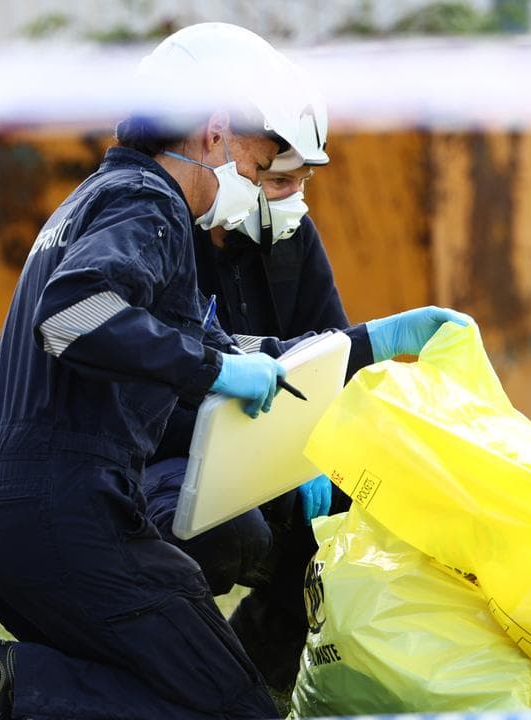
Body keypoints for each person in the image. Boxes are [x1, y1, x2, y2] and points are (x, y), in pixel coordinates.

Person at [0, 23, 468, 720]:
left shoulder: (98, 197)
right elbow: (72, 318)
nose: (264, 181)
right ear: (216, 134)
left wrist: (374, 342)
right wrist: (209, 370)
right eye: (264, 157)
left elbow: (236, 352)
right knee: (232, 710)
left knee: (171, 680)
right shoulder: (149, 206)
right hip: (65, 515)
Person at [143, 91, 357, 694]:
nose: (293, 197)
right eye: (278, 179)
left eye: (302, 181)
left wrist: (321, 452)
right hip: (169, 455)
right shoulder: (161, 232)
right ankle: (176, 683)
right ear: (239, 161)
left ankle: (254, 680)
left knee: (346, 526)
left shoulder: (295, 240)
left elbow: (331, 353)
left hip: (279, 451)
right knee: (228, 538)